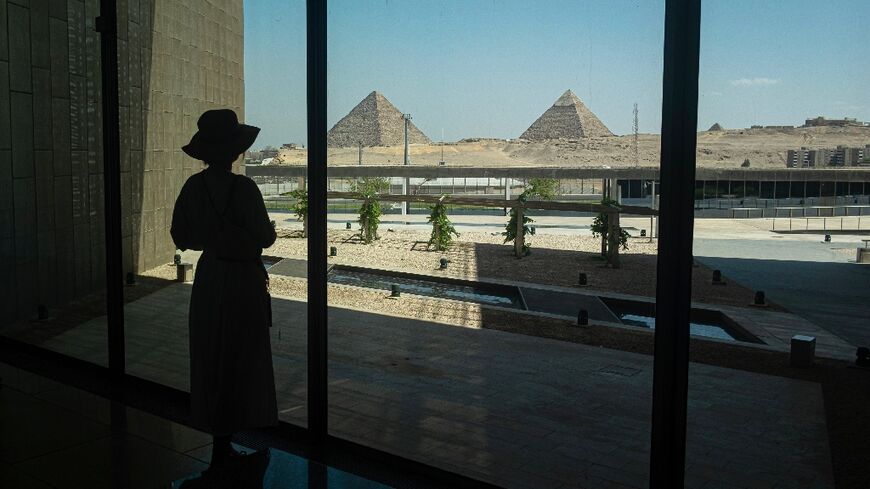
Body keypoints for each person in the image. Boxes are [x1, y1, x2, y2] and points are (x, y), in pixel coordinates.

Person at [170, 109, 278, 468]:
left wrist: (210, 236)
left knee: (211, 353)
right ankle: (231, 435)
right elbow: (266, 238)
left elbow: (181, 237)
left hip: (210, 275)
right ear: (235, 150)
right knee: (241, 355)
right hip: (243, 280)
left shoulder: (192, 188)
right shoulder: (244, 189)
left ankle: (219, 439)